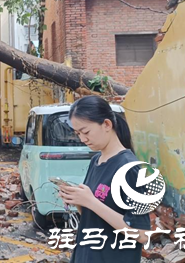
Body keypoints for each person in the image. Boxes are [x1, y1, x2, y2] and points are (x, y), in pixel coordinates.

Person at [58, 95, 151, 263]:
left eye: (86, 132)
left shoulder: (130, 169)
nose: (82, 139)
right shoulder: (97, 160)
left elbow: (141, 234)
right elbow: (93, 215)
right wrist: (78, 201)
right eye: (78, 133)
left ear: (107, 124)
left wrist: (91, 201)